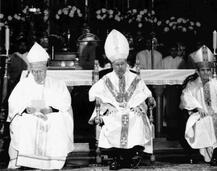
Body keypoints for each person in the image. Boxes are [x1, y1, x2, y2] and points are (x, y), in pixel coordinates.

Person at [88, 29, 156, 170]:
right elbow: (93, 94)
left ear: (126, 63)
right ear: (112, 64)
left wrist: (141, 105)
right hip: (115, 112)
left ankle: (129, 156)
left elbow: (146, 94)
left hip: (132, 110)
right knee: (113, 121)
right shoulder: (106, 79)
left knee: (137, 119)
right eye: (117, 64)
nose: (120, 67)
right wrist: (107, 105)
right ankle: (119, 157)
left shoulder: (135, 78)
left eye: (122, 64)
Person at [7, 42, 74, 170]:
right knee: (25, 123)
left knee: (58, 121)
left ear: (46, 69)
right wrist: (26, 110)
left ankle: (52, 162)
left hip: (51, 116)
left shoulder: (57, 84)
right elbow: (14, 105)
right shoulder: (24, 84)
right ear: (31, 70)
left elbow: (65, 104)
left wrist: (51, 109)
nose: (38, 75)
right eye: (35, 72)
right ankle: (25, 161)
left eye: (41, 71)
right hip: (29, 117)